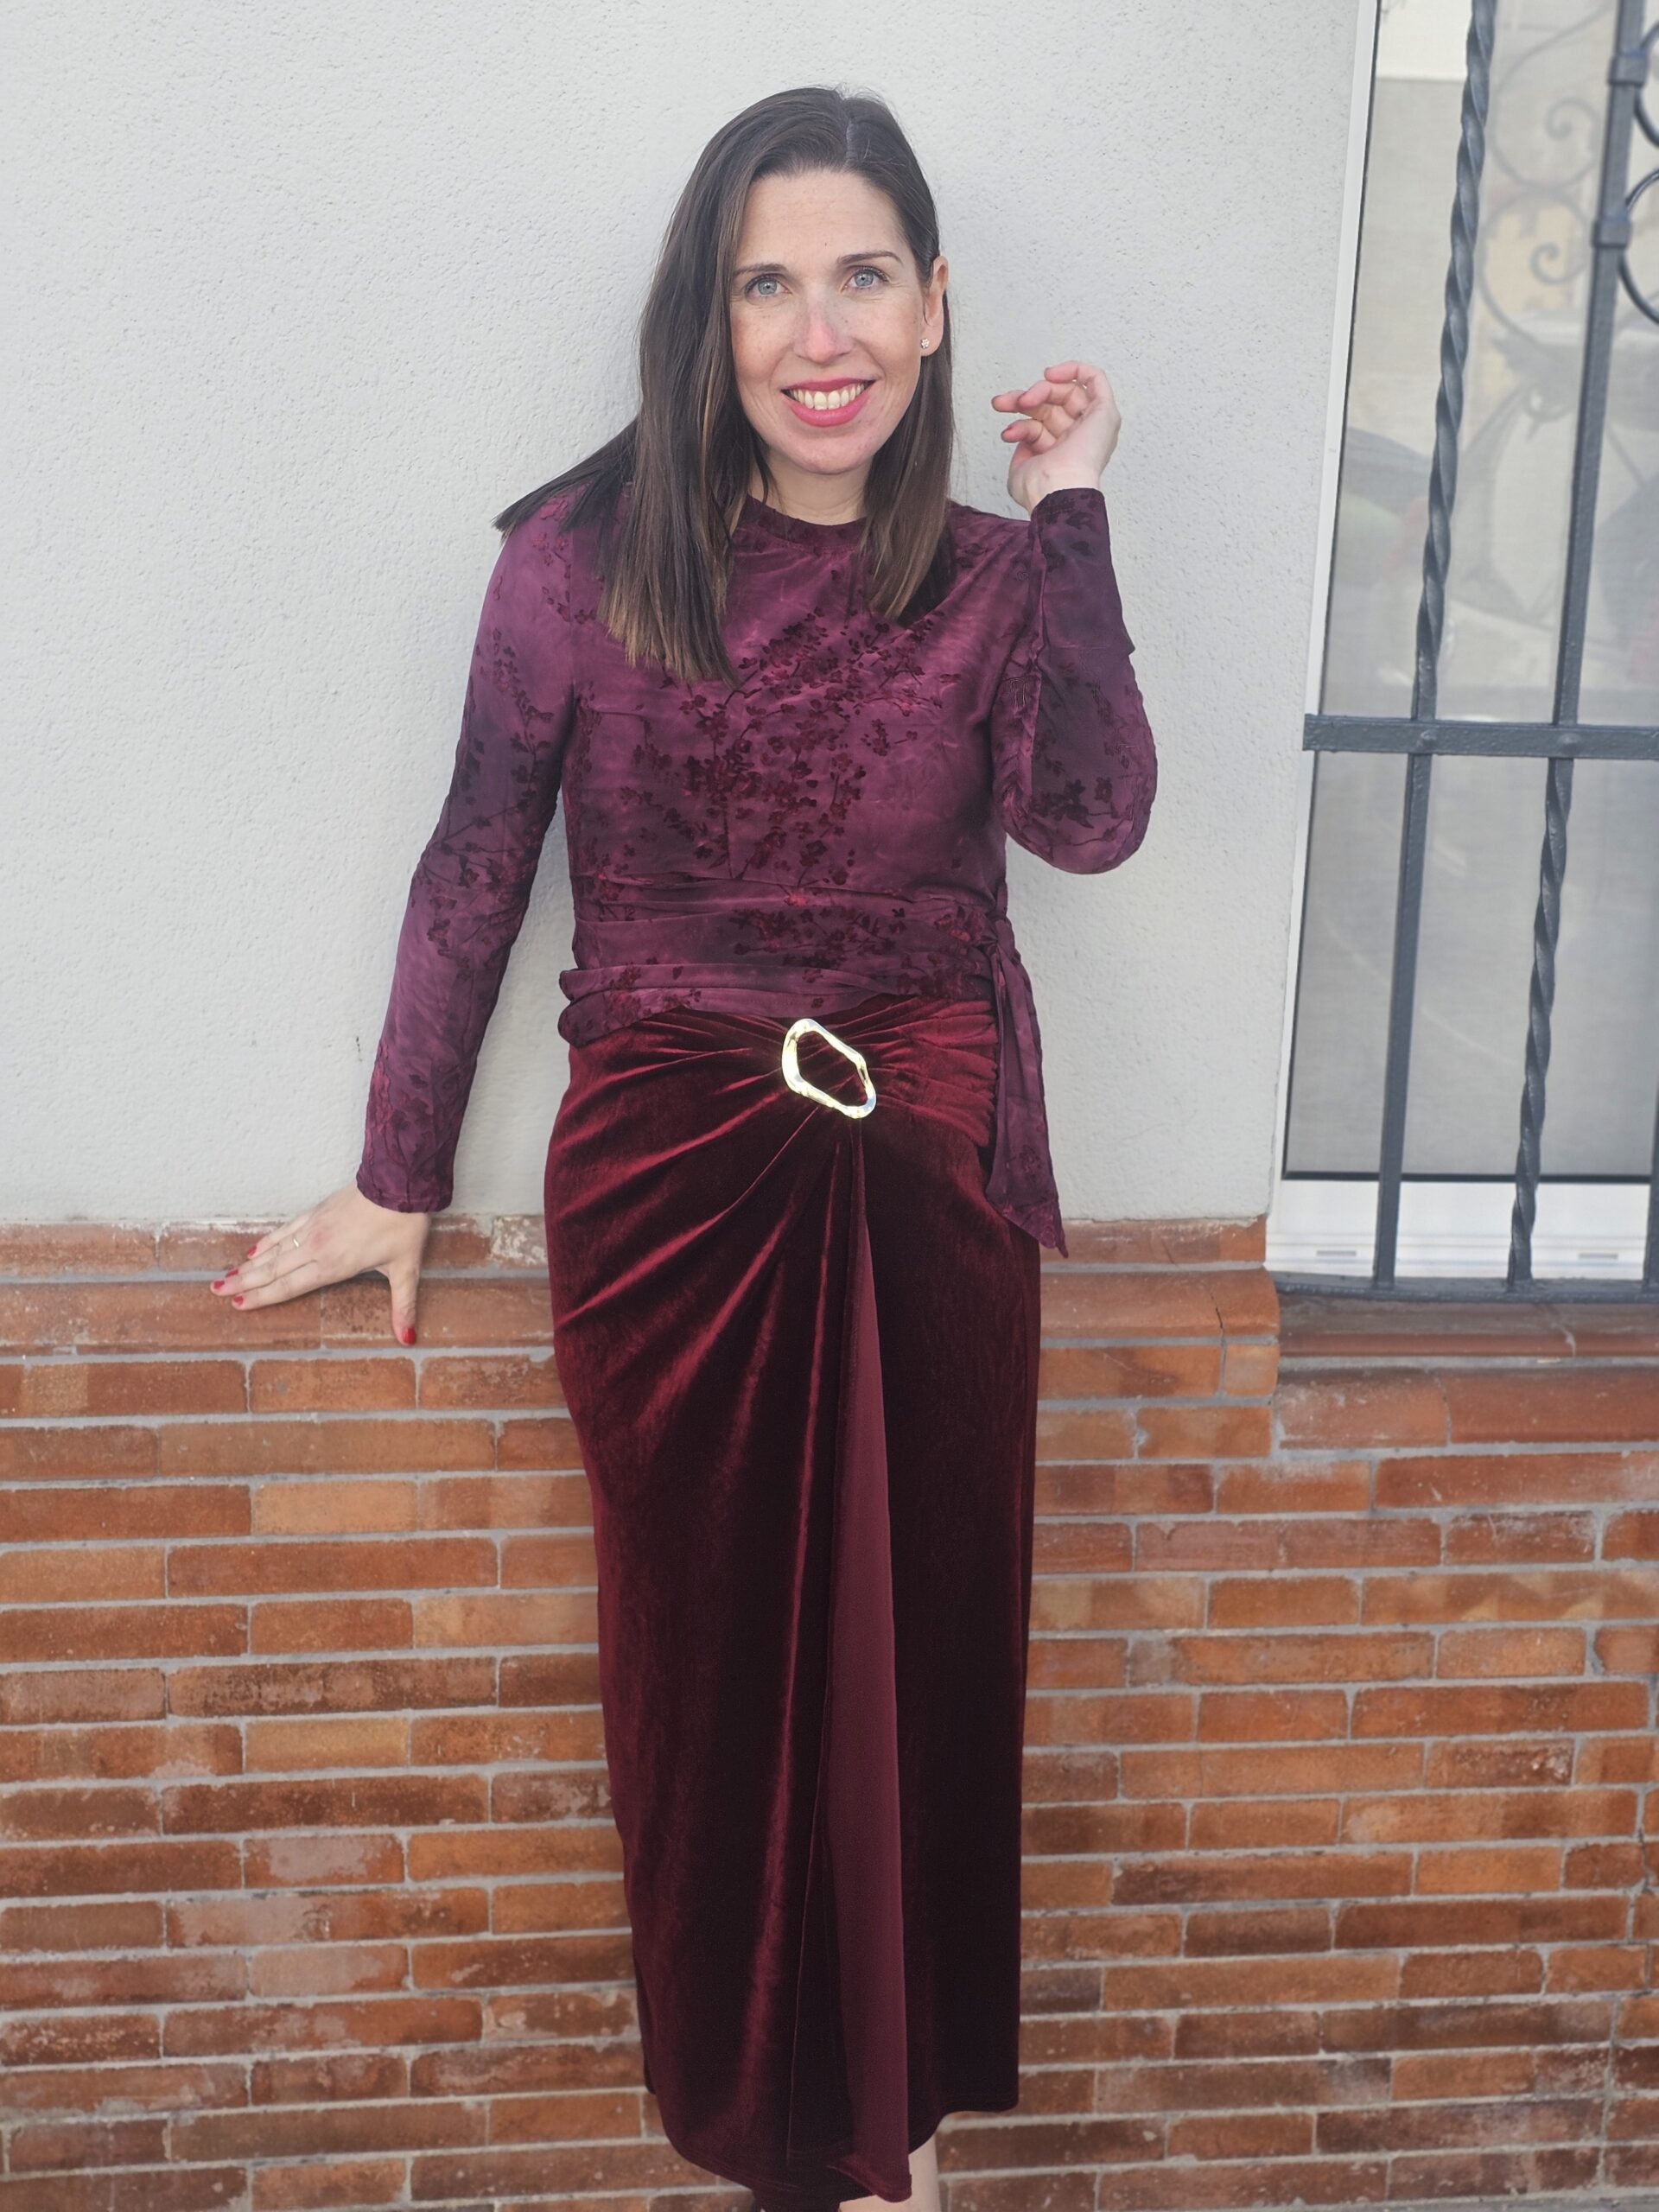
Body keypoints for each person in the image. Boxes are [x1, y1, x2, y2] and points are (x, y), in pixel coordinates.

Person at [210, 82, 1156, 2212]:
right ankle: (782, 2156)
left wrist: (1076, 508)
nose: (821, 334)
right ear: (707, 319)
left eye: (863, 277)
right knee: (720, 1722)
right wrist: (396, 1171)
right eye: (767, 284)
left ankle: (893, 2162)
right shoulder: (577, 561)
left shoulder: (996, 577)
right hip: (670, 1209)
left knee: (915, 1696)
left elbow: (1092, 817)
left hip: (928, 1197)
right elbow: (478, 859)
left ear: (933, 307)